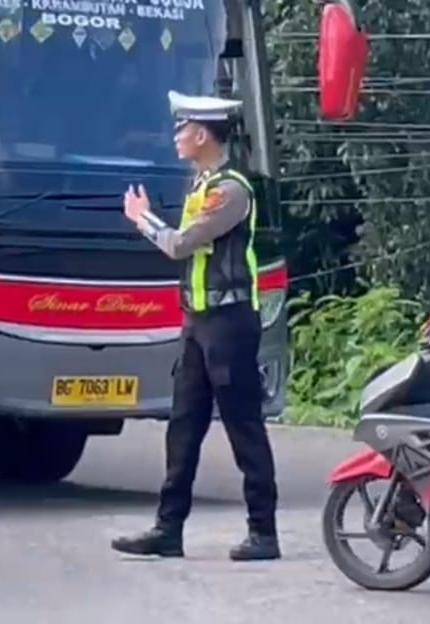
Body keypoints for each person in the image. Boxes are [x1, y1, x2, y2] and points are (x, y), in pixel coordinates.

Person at [110, 91, 281, 562]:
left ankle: (263, 532)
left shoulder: (230, 191)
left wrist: (140, 219)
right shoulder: (202, 182)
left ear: (202, 134)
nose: (176, 138)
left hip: (229, 324)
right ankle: (168, 530)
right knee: (183, 427)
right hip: (199, 323)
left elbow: (180, 245)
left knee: (244, 426)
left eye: (182, 130)